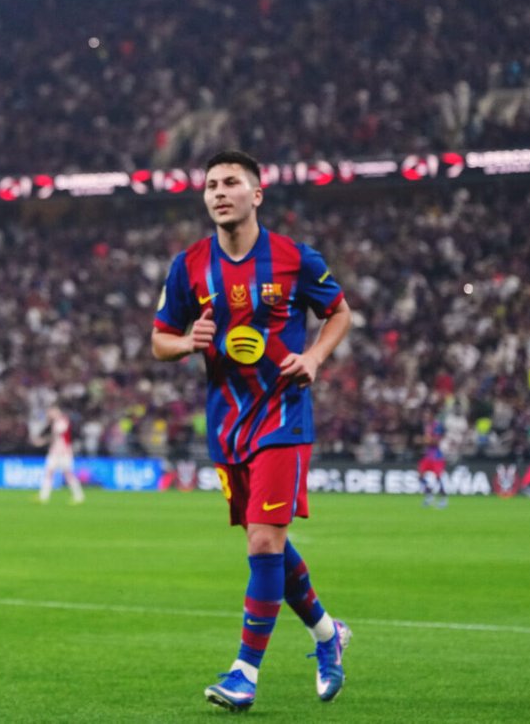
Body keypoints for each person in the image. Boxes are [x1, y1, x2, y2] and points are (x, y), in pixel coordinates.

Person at [152, 149, 354, 710]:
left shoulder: (295, 258)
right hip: (227, 426)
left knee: (264, 541)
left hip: (283, 416)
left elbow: (339, 312)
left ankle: (244, 673)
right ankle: (327, 634)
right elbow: (159, 339)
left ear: (256, 194)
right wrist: (186, 343)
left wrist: (314, 357)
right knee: (267, 544)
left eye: (231, 183)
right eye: (211, 185)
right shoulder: (190, 265)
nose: (219, 192)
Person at [36, 405, 85, 505]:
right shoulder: (55, 423)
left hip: (63, 453)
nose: (49, 414)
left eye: (51, 412)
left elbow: (57, 435)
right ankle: (43, 496)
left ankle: (79, 496)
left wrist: (43, 441)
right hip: (55, 452)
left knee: (68, 474)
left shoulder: (62, 422)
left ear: (57, 411)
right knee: (49, 472)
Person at [417, 417, 448, 508]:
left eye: (427, 414)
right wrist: (425, 440)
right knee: (420, 476)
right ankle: (429, 494)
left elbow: (436, 442)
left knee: (438, 478)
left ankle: (443, 497)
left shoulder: (437, 426)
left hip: (437, 457)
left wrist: (425, 440)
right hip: (428, 456)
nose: (426, 416)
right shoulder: (426, 426)